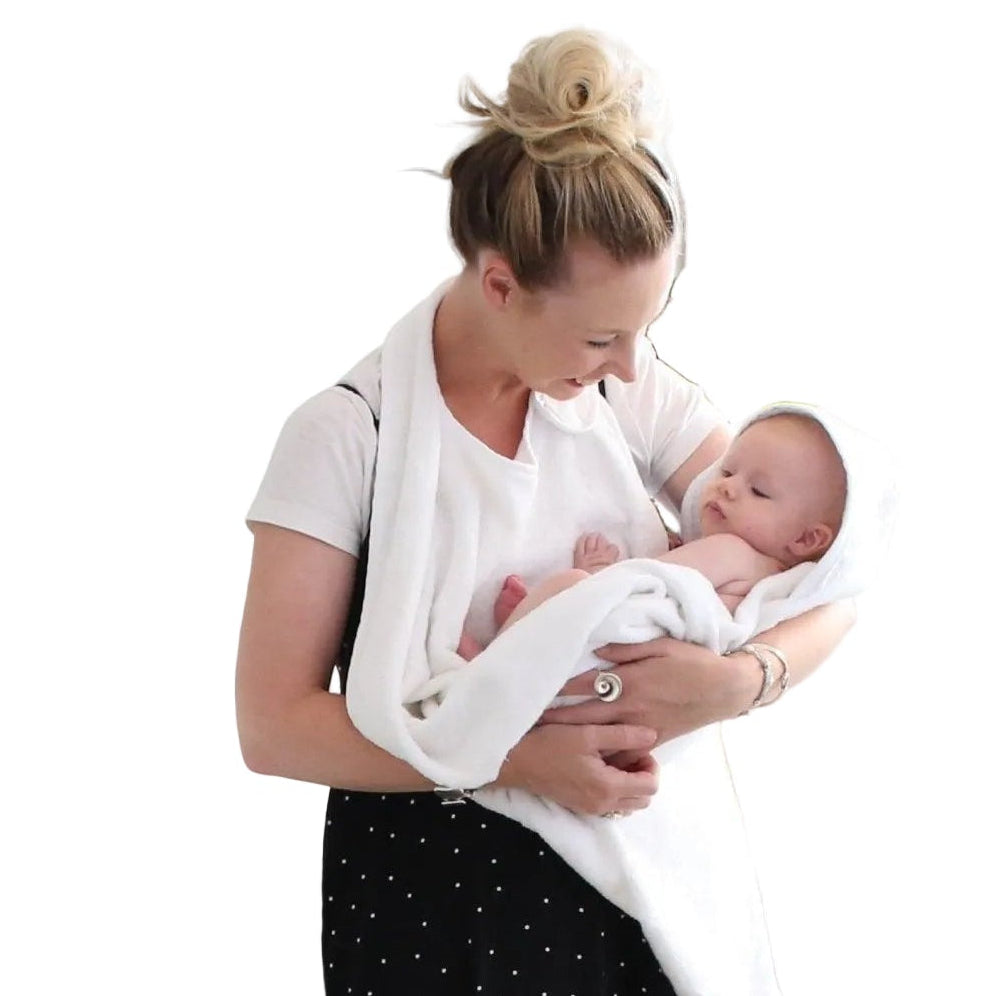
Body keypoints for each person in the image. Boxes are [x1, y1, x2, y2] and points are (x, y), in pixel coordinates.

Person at [235, 28, 855, 996]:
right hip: (430, 893)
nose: (626, 364)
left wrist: (741, 682)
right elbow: (272, 727)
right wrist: (513, 759)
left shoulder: (621, 392)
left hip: (628, 873)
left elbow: (831, 570)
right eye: (603, 334)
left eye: (642, 332)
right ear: (498, 284)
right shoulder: (347, 437)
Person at [472, 409, 848, 654]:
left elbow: (638, 582)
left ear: (806, 539)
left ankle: (490, 663)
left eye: (759, 491)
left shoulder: (731, 550)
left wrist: (596, 573)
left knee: (566, 585)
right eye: (728, 471)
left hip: (626, 648)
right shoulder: (776, 582)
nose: (728, 488)